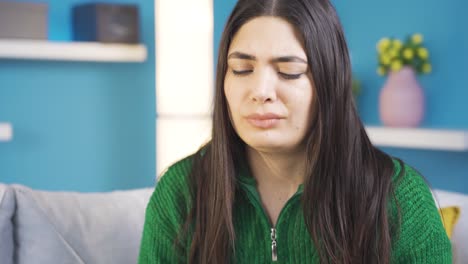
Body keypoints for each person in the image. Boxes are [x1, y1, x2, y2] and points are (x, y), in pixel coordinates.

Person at [138, 0, 452, 263]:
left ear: (329, 82)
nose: (261, 91)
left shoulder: (398, 198)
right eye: (242, 69)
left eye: (289, 72)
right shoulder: (180, 193)